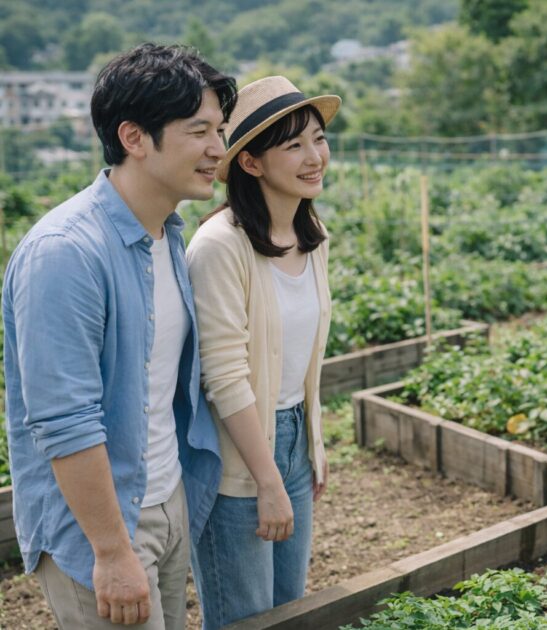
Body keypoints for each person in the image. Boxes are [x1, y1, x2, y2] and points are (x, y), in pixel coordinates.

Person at [2, 44, 236, 628]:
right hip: (104, 526)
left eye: (221, 130)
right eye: (200, 130)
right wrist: (110, 551)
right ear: (134, 137)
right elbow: (64, 420)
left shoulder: (166, 234)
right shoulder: (66, 254)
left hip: (165, 497)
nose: (218, 149)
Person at [186, 76, 340, 628]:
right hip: (239, 457)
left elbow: (304, 360)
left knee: (288, 610)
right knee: (242, 617)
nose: (314, 157)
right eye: (294, 145)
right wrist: (268, 480)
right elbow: (223, 376)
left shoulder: (312, 232)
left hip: (292, 442)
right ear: (250, 163)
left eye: (318, 139)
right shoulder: (219, 247)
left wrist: (310, 446)